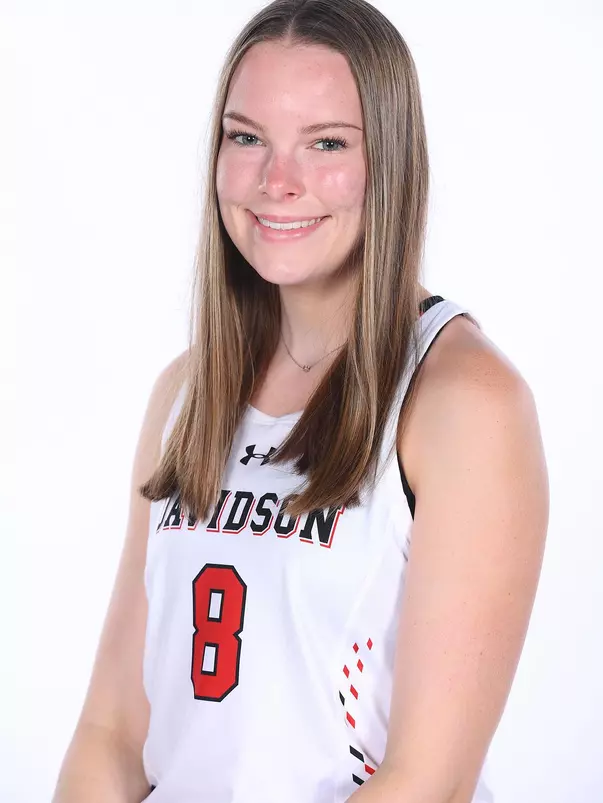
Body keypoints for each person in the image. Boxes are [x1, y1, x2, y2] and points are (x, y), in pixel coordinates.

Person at [51, 1, 549, 802]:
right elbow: (113, 731)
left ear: (389, 160)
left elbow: (428, 781)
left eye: (325, 144)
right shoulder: (185, 395)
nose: (276, 182)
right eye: (246, 138)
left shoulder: (463, 402)